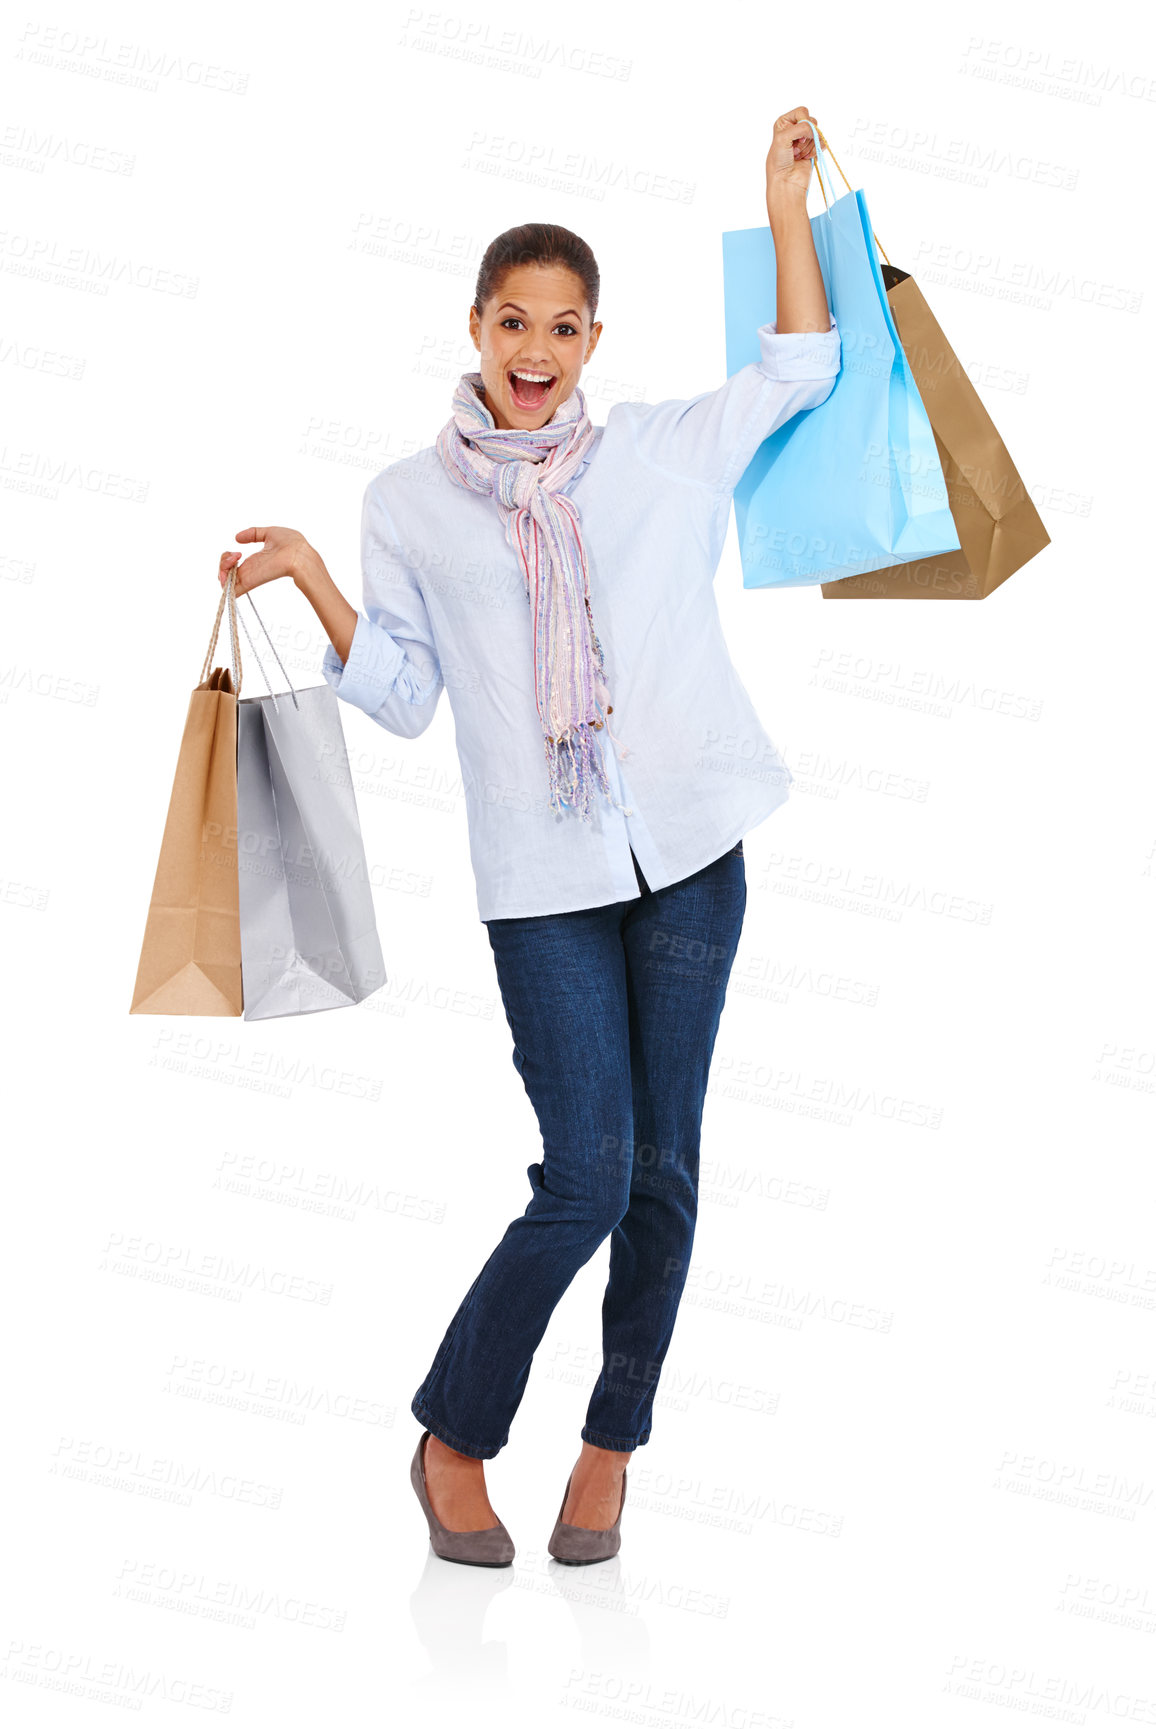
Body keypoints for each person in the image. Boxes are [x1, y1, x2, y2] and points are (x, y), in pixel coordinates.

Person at [220, 106, 840, 1568]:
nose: (537, 347)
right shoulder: (408, 505)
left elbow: (800, 365)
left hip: (690, 850)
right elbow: (407, 698)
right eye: (515, 320)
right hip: (543, 884)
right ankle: (453, 1433)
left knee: (664, 1170)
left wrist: (779, 200)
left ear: (595, 338)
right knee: (586, 1172)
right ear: (479, 326)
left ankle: (610, 1443)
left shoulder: (662, 455)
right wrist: (313, 573)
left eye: (565, 324)